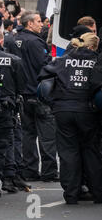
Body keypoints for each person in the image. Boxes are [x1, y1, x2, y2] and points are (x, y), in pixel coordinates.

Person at [39, 32, 102, 204]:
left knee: (68, 152)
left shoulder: (63, 59)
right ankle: (98, 192)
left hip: (63, 110)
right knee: (91, 151)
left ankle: (71, 194)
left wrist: (54, 102)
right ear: (93, 47)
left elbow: (44, 79)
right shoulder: (96, 61)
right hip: (88, 111)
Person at [7, 11, 58, 182]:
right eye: (38, 21)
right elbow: (44, 66)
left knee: (28, 135)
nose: (41, 24)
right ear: (29, 24)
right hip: (38, 93)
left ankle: (30, 169)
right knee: (47, 135)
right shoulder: (35, 42)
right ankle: (49, 172)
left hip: (23, 94)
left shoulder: (14, 40)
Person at [0, 27, 27, 197]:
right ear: (2, 41)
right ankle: (5, 179)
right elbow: (21, 86)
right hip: (7, 106)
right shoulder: (14, 60)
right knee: (5, 145)